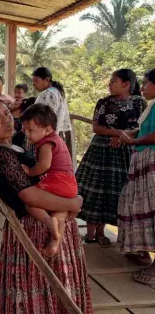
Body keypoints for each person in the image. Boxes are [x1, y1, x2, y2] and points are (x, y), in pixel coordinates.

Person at [0, 97, 92, 313]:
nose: (5, 120)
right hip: (34, 230)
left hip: (45, 225)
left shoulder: (13, 147)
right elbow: (30, 197)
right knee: (43, 292)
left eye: (7, 114)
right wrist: (73, 203)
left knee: (56, 291)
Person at [77, 69, 146, 246]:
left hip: (126, 151)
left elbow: (143, 127)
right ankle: (91, 232)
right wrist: (117, 133)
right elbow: (96, 128)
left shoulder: (139, 103)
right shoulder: (104, 102)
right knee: (95, 189)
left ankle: (103, 232)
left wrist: (123, 137)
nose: (110, 83)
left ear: (126, 84)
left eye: (114, 81)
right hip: (101, 150)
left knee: (116, 190)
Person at [20, 104, 78, 257]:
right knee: (60, 212)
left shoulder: (47, 143)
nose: (27, 134)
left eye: (31, 130)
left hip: (56, 180)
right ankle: (55, 242)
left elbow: (45, 165)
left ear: (48, 129)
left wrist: (31, 171)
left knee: (31, 202)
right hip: (69, 184)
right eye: (25, 130)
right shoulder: (56, 139)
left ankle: (47, 220)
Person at [117, 68, 155, 285]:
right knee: (138, 207)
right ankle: (141, 251)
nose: (142, 87)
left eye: (147, 83)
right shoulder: (152, 105)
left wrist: (133, 141)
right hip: (144, 162)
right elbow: (144, 129)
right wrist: (131, 135)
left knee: (151, 209)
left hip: (151, 163)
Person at [32, 67, 72, 137]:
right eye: (33, 81)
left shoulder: (48, 93)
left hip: (46, 135)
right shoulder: (57, 92)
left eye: (36, 81)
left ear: (46, 80)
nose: (33, 84)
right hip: (55, 134)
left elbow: (45, 118)